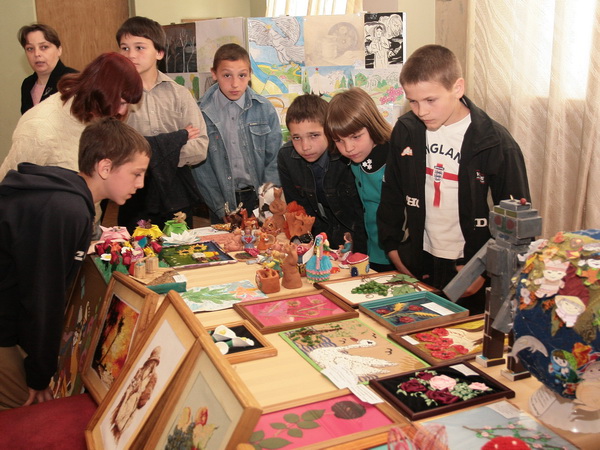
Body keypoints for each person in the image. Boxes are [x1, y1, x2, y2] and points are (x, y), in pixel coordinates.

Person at [0, 117, 151, 410]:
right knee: (26, 409)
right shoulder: (67, 210)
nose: (140, 184)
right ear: (105, 167)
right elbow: (43, 297)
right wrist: (39, 375)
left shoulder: (69, 198)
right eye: (136, 173)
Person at [378, 44, 530, 314]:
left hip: (471, 267)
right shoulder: (406, 130)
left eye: (430, 100)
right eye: (413, 101)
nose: (421, 111)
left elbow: (517, 221)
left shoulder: (495, 142)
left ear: (457, 88)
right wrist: (393, 252)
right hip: (418, 261)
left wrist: (485, 272)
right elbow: (391, 196)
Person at [116, 16, 209, 232]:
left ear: (159, 52)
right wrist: (173, 142)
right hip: (133, 192)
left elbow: (200, 147)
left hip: (176, 192)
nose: (131, 55)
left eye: (139, 47)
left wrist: (147, 153)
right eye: (125, 48)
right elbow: (115, 150)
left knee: (182, 248)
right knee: (136, 249)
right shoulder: (116, 97)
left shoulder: (179, 94)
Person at [0, 52, 142, 181]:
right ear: (100, 93)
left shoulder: (99, 115)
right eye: (121, 103)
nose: (122, 111)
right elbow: (8, 185)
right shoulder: (39, 128)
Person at [192, 43, 282, 223]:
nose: (235, 84)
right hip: (220, 199)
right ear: (214, 74)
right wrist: (220, 208)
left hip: (258, 197)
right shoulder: (200, 112)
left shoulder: (264, 109)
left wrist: (265, 204)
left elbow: (275, 159)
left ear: (250, 74)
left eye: (242, 75)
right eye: (227, 75)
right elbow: (201, 168)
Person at [278, 94, 367, 252]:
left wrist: (355, 251)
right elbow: (298, 211)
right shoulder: (287, 157)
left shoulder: (348, 155)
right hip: (318, 243)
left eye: (314, 135)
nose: (305, 147)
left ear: (329, 131)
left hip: (356, 241)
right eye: (296, 138)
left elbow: (362, 213)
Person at [325, 87, 393, 272]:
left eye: (356, 137)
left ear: (372, 125)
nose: (348, 148)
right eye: (339, 141)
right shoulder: (356, 160)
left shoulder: (394, 158)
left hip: (397, 255)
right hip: (371, 253)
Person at [18, 23, 78, 114]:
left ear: (59, 50)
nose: (36, 54)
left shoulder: (74, 81)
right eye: (30, 49)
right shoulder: (27, 84)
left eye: (44, 47)